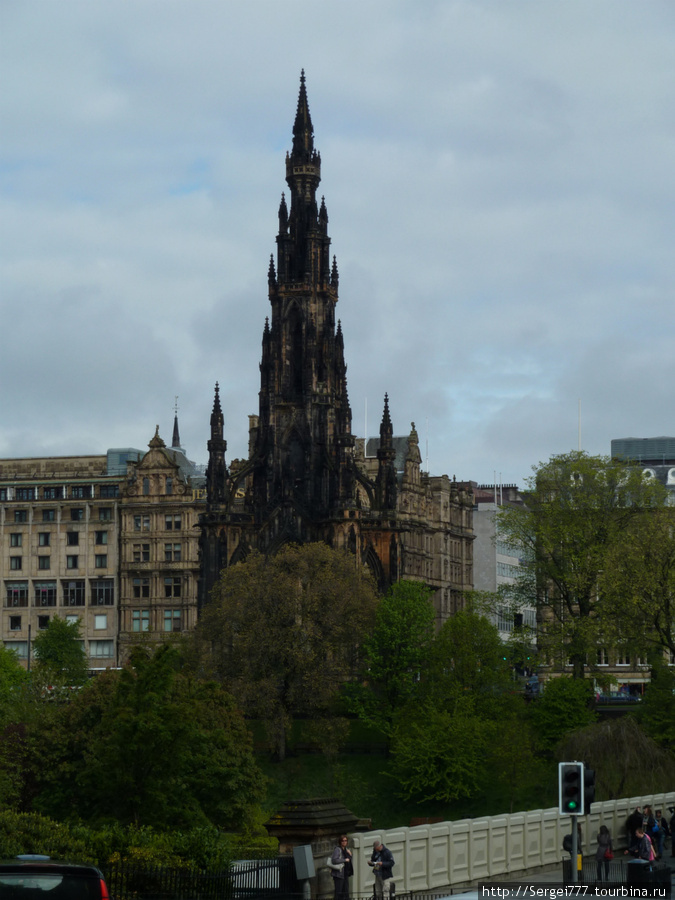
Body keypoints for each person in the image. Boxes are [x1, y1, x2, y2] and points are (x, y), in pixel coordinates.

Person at [329, 835, 353, 900]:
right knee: (339, 892)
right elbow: (334, 860)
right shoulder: (337, 849)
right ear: (340, 842)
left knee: (346, 892)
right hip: (339, 874)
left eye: (345, 841)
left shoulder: (346, 849)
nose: (344, 842)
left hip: (345, 874)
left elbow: (349, 860)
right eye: (343, 841)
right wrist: (344, 860)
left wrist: (350, 855)